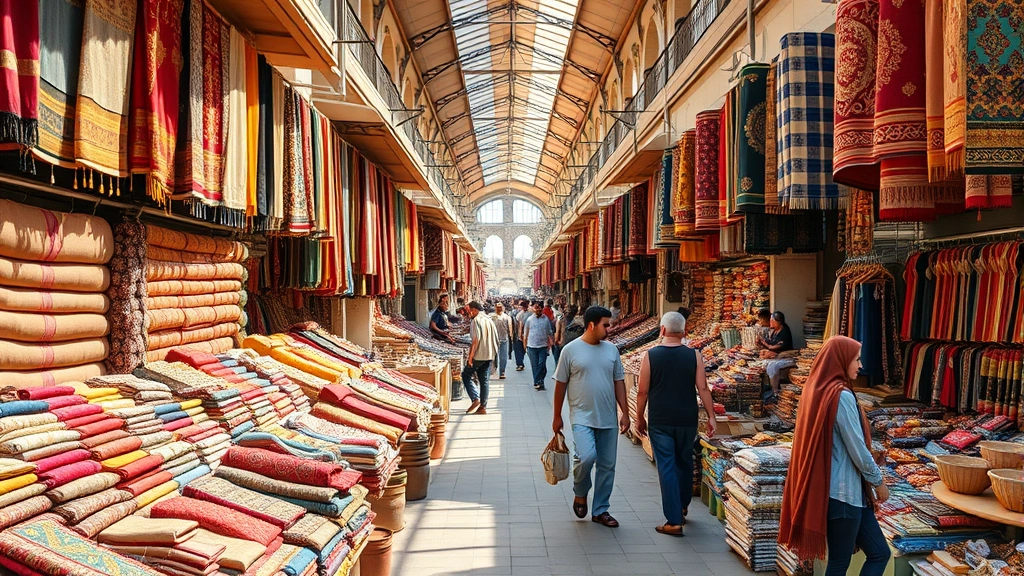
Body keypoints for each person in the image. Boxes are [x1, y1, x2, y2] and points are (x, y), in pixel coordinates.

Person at [778, 336, 890, 576]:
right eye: (856, 359)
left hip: (841, 494)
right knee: (840, 564)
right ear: (841, 360)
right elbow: (857, 449)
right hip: (843, 496)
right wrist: (878, 481)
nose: (860, 366)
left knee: (879, 552)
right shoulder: (841, 395)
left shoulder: (817, 389)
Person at [635, 312, 717, 537]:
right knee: (684, 461)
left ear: (662, 330)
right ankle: (681, 506)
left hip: (661, 419)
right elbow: (703, 389)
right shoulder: (695, 356)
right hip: (687, 418)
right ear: (684, 331)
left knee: (667, 466)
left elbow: (642, 390)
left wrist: (639, 416)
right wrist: (711, 416)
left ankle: (673, 520)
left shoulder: (650, 356)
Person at [552, 306, 629, 528]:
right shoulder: (571, 350)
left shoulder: (612, 350)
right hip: (581, 416)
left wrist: (625, 412)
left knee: (607, 465)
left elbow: (619, 382)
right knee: (586, 457)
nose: (609, 328)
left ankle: (601, 510)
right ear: (592, 325)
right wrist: (557, 416)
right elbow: (560, 384)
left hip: (608, 418)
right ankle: (580, 490)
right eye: (606, 324)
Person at [461, 301, 499, 415]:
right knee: (484, 380)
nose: (469, 314)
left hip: (479, 355)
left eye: (470, 311)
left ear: (474, 310)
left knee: (466, 375)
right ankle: (483, 407)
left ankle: (475, 398)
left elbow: (475, 341)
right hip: (489, 354)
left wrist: (470, 358)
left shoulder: (476, 321)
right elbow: (495, 338)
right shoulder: (488, 319)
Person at [523, 301, 554, 391]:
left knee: (542, 364)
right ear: (533, 309)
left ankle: (538, 380)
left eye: (539, 307)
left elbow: (549, 332)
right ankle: (539, 382)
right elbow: (526, 334)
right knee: (534, 365)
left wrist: (550, 343)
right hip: (531, 346)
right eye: (536, 307)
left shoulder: (546, 319)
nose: (538, 309)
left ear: (542, 309)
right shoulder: (529, 320)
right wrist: (525, 347)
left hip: (543, 346)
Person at [490, 302, 513, 380]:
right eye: (497, 307)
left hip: (504, 340)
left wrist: (511, 337)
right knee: (493, 357)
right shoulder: (491, 317)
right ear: (495, 308)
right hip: (493, 340)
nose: (499, 308)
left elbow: (510, 328)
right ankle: (493, 370)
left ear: (503, 308)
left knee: (503, 358)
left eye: (500, 307)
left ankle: (502, 371)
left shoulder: (507, 317)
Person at [513, 300, 530, 371]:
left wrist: (519, 335)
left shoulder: (519, 314)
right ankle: (520, 363)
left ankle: (520, 364)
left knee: (519, 350)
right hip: (527, 335)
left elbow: (519, 325)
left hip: (521, 335)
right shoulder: (531, 314)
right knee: (522, 350)